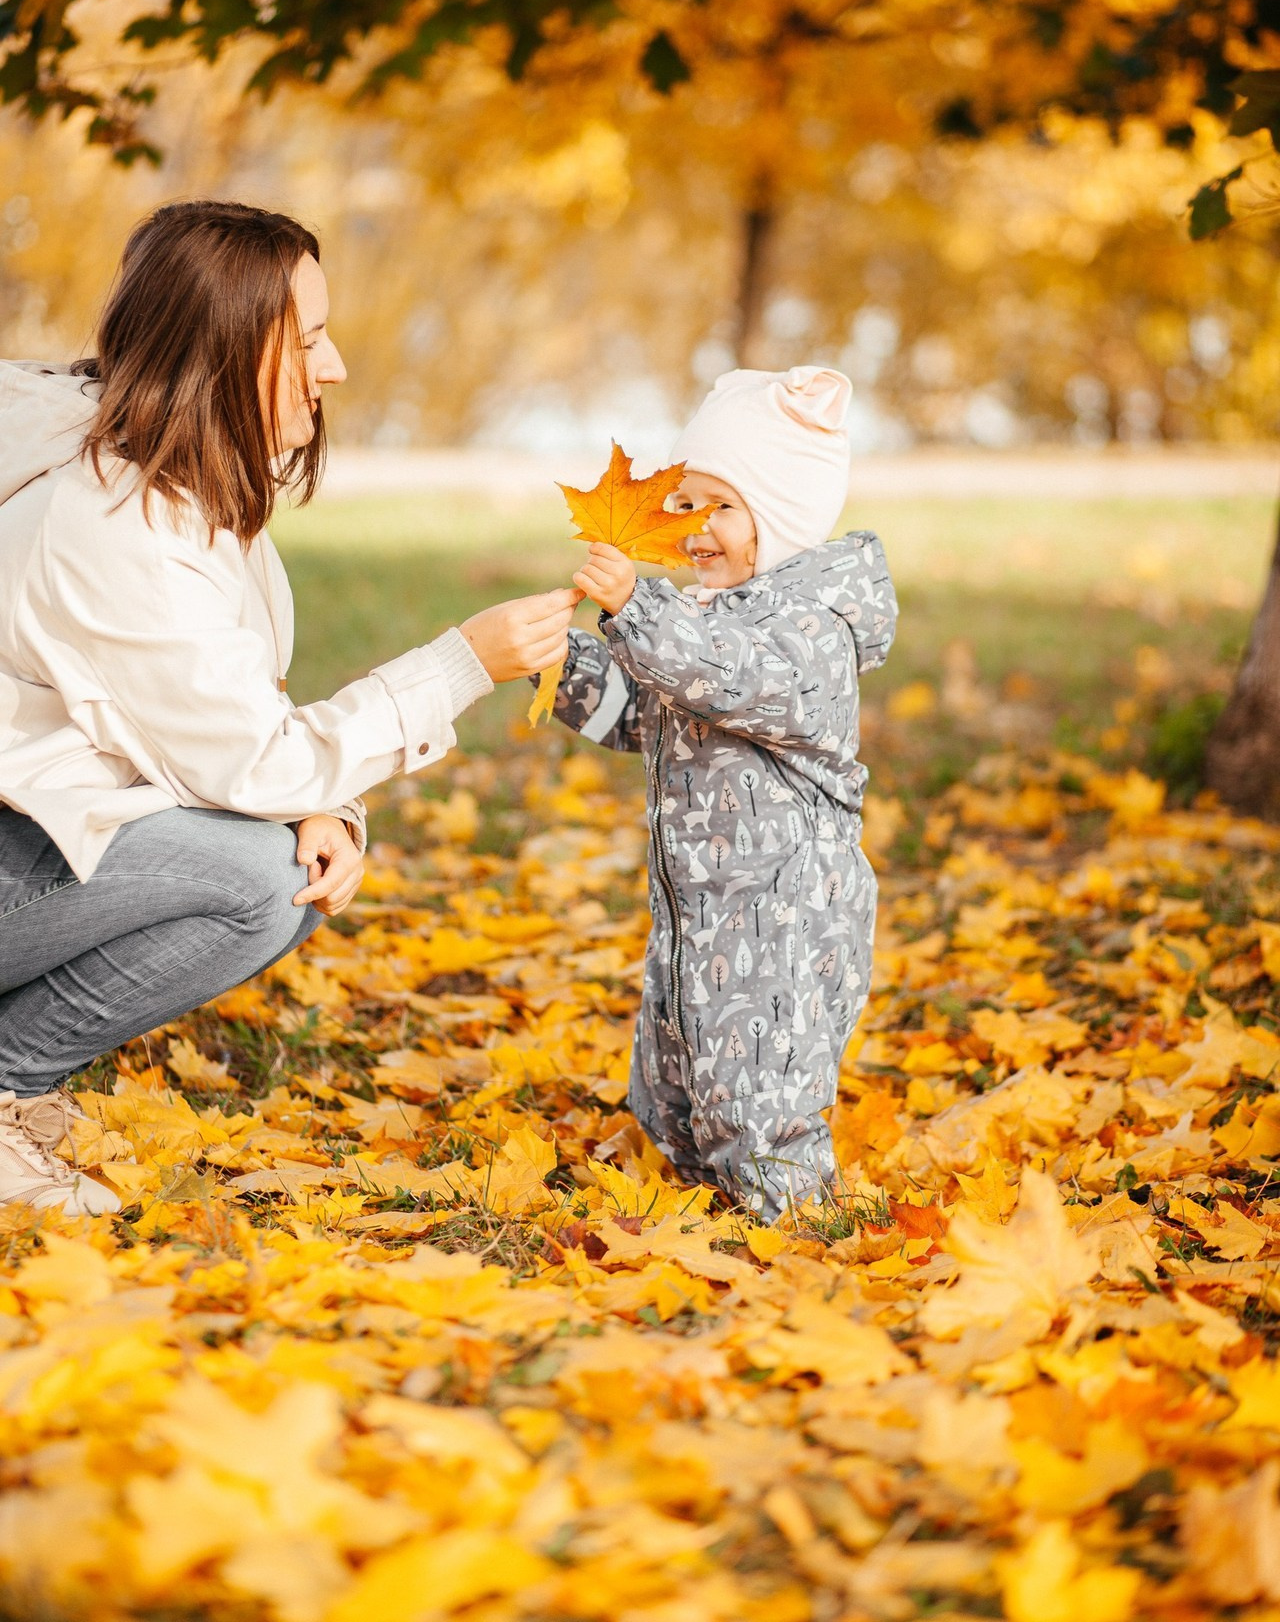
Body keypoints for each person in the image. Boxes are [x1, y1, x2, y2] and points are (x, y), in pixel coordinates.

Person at [0, 200, 576, 1215]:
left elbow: (220, 713)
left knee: (283, 869)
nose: (336, 365)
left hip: (40, 825)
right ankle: (9, 1082)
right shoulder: (110, 521)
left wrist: (327, 805)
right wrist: (459, 664)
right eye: (307, 338)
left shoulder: (178, 486)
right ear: (222, 347)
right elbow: (249, 765)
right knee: (253, 878)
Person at [550, 366, 897, 1217]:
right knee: (676, 1067)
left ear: (780, 521)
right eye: (684, 503)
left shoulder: (809, 633)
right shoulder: (703, 619)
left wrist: (635, 611)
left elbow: (725, 678)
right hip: (698, 905)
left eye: (724, 507)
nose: (696, 529)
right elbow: (646, 717)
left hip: (785, 915)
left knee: (761, 1080)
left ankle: (790, 1214)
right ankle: (687, 1181)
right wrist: (561, 665)